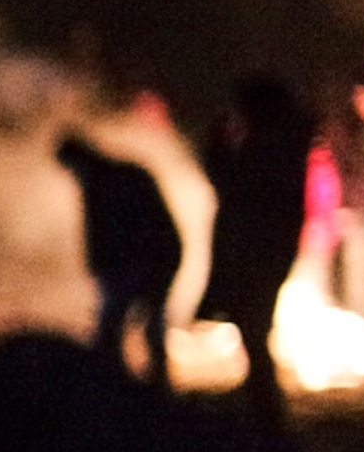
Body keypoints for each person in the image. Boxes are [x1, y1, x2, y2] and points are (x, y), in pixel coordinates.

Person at [199, 74, 314, 409]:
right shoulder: (285, 142)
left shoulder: (268, 147)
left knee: (252, 321)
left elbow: (232, 184)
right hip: (269, 244)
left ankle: (264, 398)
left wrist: (218, 148)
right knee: (254, 322)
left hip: (258, 246)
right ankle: (262, 393)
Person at [55, 132, 181, 383]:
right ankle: (155, 385)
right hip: (156, 257)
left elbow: (104, 232)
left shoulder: (100, 184)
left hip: (142, 260)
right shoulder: (127, 173)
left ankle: (117, 383)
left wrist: (102, 266)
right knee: (150, 325)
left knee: (113, 328)